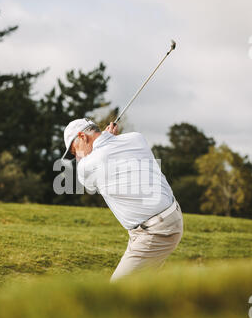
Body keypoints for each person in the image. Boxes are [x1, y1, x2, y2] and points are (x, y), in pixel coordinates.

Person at [62, 118, 183, 282]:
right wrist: (106, 139)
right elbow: (112, 150)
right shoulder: (136, 138)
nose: (76, 156)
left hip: (156, 232)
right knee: (143, 287)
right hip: (169, 218)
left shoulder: (86, 166)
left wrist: (102, 143)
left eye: (74, 151)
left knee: (117, 291)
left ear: (82, 137)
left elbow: (89, 183)